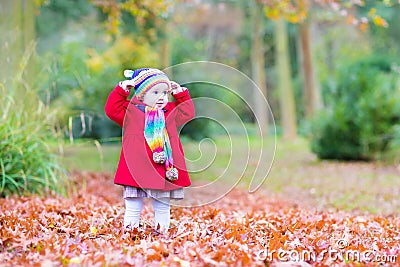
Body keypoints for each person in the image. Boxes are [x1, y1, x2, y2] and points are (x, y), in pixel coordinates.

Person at [104, 68, 194, 233]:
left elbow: (187, 112)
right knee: (133, 205)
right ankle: (131, 232)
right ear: (141, 95)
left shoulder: (170, 111)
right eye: (155, 92)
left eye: (165, 93)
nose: (161, 97)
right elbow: (111, 109)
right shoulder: (131, 111)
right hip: (137, 166)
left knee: (162, 206)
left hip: (162, 168)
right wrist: (122, 90)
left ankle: (162, 232)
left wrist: (180, 93)